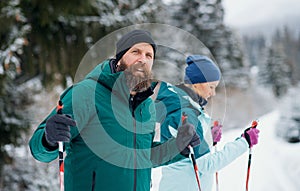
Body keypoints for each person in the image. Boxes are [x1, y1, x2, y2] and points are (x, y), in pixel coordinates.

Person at [29, 30, 200, 191]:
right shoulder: (87, 93)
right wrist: (48, 139)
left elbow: (145, 157)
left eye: (149, 55)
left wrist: (178, 147)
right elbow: (39, 151)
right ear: (119, 59)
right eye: (136, 52)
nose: (143, 59)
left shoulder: (146, 106)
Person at [153, 55, 260, 191]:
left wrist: (207, 136)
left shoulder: (180, 105)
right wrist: (245, 142)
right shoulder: (186, 113)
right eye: (211, 86)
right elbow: (207, 165)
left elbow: (188, 148)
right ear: (196, 83)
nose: (213, 93)